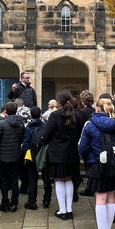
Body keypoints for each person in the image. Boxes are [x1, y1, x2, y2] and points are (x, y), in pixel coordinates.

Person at [78, 98, 115, 229]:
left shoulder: (90, 125)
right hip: (114, 165)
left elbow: (83, 148)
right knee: (111, 196)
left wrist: (88, 160)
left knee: (100, 198)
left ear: (97, 109)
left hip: (97, 165)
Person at [40, 91, 86, 220]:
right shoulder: (78, 116)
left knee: (59, 180)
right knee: (69, 180)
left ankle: (62, 210)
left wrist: (42, 141)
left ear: (59, 102)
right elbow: (80, 134)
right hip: (72, 152)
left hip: (57, 153)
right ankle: (69, 210)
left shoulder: (55, 116)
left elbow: (47, 135)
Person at [0, 102, 26, 212]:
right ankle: (14, 203)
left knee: (4, 181)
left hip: (3, 156)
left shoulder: (1, 124)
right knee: (14, 180)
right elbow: (21, 139)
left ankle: (5, 203)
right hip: (15, 155)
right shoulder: (21, 124)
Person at [21, 106, 45, 210]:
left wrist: (27, 154)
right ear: (40, 115)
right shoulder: (45, 126)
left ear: (31, 116)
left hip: (32, 156)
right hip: (43, 155)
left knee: (32, 179)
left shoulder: (28, 128)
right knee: (46, 179)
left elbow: (25, 143)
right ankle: (46, 199)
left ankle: (32, 201)